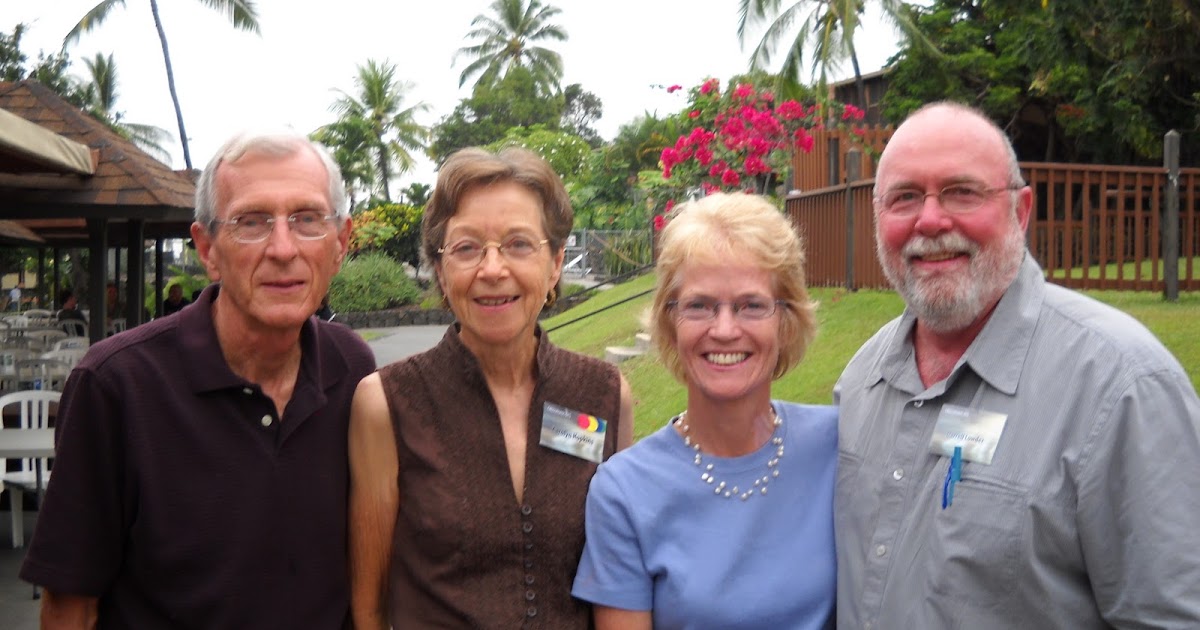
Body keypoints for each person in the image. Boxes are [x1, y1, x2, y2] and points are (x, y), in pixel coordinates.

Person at [834, 102, 1200, 628]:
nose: (931, 219)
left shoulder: (1121, 386)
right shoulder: (861, 381)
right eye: (905, 197)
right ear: (877, 217)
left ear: (1021, 211)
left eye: (962, 191)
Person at [20, 130, 377, 628]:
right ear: (207, 249)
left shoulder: (353, 370)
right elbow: (70, 605)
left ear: (340, 244)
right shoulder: (116, 385)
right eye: (251, 222)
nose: (282, 247)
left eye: (307, 220)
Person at [348, 147, 634, 629]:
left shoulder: (603, 394)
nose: (493, 269)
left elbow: (620, 577)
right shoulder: (387, 404)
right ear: (441, 271)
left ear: (556, 263)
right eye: (466, 248)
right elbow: (369, 607)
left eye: (519, 244)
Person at [571, 192, 837, 629]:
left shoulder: (837, 447)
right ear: (669, 323)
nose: (725, 329)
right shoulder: (624, 492)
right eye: (699, 305)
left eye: (752, 305)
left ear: (786, 320)